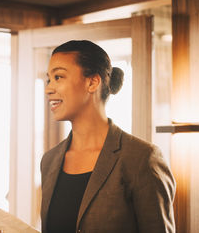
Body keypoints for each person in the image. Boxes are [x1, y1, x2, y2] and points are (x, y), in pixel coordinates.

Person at [40, 40, 176, 233]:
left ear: (92, 82)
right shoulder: (49, 161)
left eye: (59, 77)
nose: (48, 88)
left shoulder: (141, 158)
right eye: (49, 79)